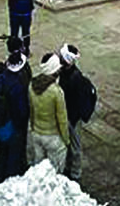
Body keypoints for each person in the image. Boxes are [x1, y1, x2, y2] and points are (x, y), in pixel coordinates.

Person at [0, 39, 31, 183]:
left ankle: (0, 177)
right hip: (13, 124)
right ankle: (11, 183)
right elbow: (21, 110)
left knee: (3, 152)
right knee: (14, 155)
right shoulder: (17, 86)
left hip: (1, 121)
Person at [55, 44, 95, 181]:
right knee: (70, 144)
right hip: (69, 115)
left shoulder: (74, 79)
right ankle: (69, 167)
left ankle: (75, 173)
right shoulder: (68, 74)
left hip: (72, 117)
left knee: (75, 146)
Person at [26, 53, 70, 173]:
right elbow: (62, 119)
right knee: (55, 172)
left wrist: (33, 128)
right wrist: (66, 139)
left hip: (37, 133)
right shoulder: (56, 92)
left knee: (39, 170)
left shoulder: (31, 85)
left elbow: (31, 110)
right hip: (53, 136)